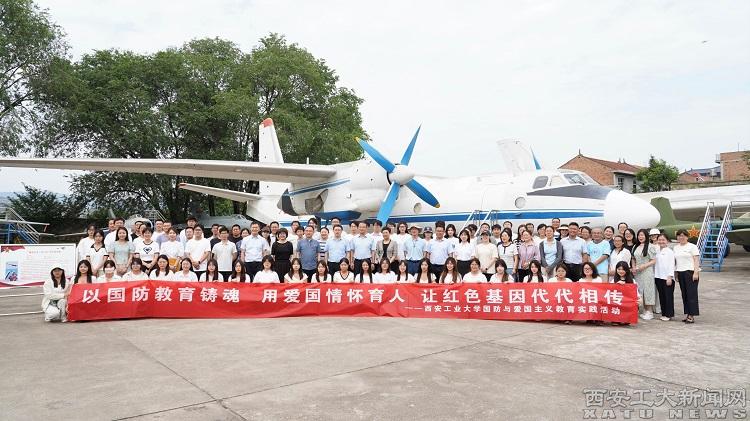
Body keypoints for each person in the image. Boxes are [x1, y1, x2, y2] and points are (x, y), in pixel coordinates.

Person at [673, 229, 700, 323]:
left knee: (691, 294)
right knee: (684, 294)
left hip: (690, 272)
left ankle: (691, 315)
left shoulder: (692, 246)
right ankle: (688, 313)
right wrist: (676, 273)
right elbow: (676, 262)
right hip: (680, 272)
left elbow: (696, 260)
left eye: (683, 235)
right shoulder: (676, 247)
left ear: (687, 237)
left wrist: (696, 273)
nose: (681, 237)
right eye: (679, 235)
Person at [632, 229, 658, 320]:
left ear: (646, 236)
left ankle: (649, 311)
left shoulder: (651, 246)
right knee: (640, 290)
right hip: (637, 272)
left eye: (642, 235)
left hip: (647, 271)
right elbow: (633, 258)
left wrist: (644, 266)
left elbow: (653, 260)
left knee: (648, 290)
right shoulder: (635, 246)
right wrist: (633, 267)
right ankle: (644, 310)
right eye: (639, 235)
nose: (640, 237)